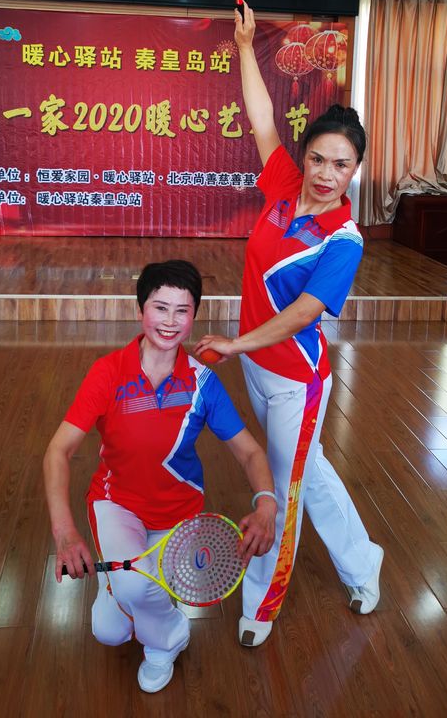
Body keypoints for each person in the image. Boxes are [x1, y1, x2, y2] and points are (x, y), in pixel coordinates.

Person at [195, 5, 384, 648]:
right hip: (256, 362)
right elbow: (261, 121)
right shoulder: (282, 185)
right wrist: (245, 45)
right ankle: (364, 561)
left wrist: (234, 342)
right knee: (309, 470)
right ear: (306, 157)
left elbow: (304, 314)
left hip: (296, 382)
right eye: (320, 159)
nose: (327, 174)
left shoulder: (344, 239)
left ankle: (261, 605)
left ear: (355, 171)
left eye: (342, 166)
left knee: (283, 487)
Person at [43, 259, 277, 693]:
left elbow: (249, 452)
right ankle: (171, 633)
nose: (170, 321)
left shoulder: (203, 383)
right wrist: (65, 533)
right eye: (160, 307)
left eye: (182, 310)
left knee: (123, 609)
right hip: (117, 504)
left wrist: (266, 504)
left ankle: (148, 628)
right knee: (110, 630)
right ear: (140, 311)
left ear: (194, 316)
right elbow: (59, 451)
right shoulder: (108, 373)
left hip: (179, 514)